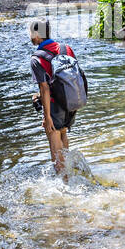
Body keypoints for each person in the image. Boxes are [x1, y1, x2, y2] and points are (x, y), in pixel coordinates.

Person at [29, 16, 86, 173]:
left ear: (37, 34)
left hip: (55, 105)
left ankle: (65, 186)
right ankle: (70, 174)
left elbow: (45, 88)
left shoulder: (37, 58)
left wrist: (47, 117)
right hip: (72, 102)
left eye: (31, 33)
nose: (30, 36)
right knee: (62, 134)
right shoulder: (66, 48)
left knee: (55, 144)